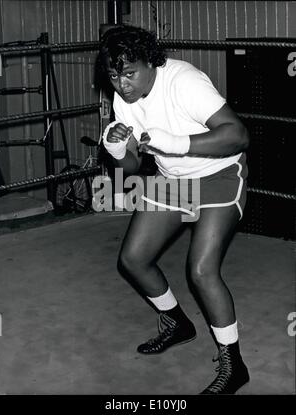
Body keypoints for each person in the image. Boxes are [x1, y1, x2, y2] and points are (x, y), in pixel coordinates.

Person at [95, 25, 250, 395]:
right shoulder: (122, 100)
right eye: (114, 75)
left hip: (218, 176)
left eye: (130, 73)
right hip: (173, 181)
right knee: (133, 258)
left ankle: (234, 364)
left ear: (150, 62)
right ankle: (177, 323)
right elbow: (130, 170)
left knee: (201, 269)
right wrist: (118, 152)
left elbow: (237, 135)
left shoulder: (184, 81)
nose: (122, 84)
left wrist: (177, 144)